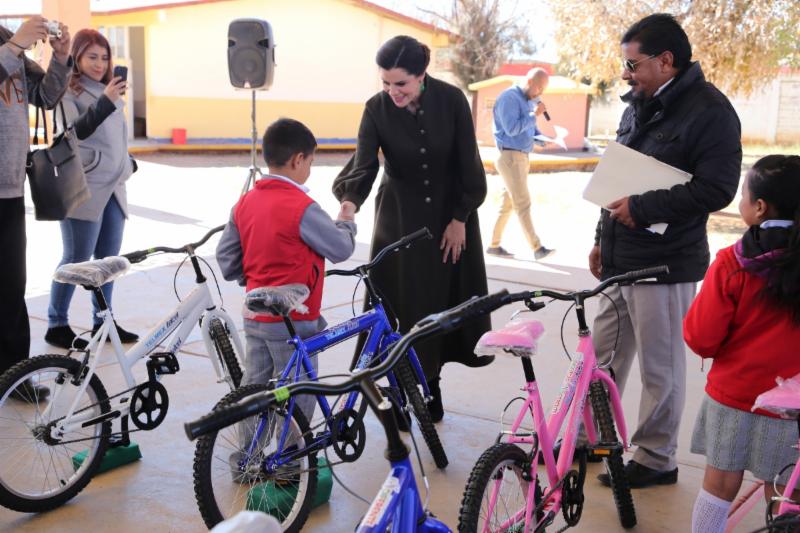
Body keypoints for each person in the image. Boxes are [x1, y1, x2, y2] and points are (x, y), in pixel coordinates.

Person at [589, 13, 742, 488]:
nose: (625, 73)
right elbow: (619, 173)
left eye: (632, 64)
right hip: (620, 256)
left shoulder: (710, 111)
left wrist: (643, 205)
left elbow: (718, 189)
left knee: (661, 369)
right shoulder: (639, 102)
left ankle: (656, 459)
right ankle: (592, 439)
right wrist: (600, 237)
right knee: (601, 357)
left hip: (665, 262)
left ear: (666, 61)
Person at [332, 35, 493, 423]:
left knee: (437, 305)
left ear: (422, 75)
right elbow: (364, 164)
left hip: (447, 219)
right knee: (400, 307)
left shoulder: (452, 100)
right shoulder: (375, 109)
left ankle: (432, 385)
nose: (392, 92)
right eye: (386, 83)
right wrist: (349, 202)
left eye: (400, 83)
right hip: (398, 222)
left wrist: (460, 218)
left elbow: (468, 164)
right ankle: (401, 391)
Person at [685, 155, 800, 533]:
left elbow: (701, 338)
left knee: (717, 489)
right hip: (793, 406)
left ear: (760, 207)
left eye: (744, 194)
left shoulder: (731, 263)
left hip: (734, 397)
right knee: (787, 496)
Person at [216, 118, 356, 422]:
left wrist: (256, 280)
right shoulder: (302, 207)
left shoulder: (245, 203)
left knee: (253, 392)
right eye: (311, 162)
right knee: (296, 395)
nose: (309, 169)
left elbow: (227, 261)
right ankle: (292, 463)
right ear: (298, 159)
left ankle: (246, 460)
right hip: (294, 321)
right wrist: (345, 220)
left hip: (254, 316)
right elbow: (341, 249)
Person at [45, 29, 138, 350]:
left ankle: (104, 322)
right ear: (78, 58)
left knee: (109, 260)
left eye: (104, 57)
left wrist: (129, 164)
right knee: (76, 258)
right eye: (92, 57)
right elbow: (74, 135)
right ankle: (56, 323)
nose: (99, 64)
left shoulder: (108, 90)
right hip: (82, 186)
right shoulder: (67, 93)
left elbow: (116, 138)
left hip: (114, 187)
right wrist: (107, 100)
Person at [0, 16, 71, 401]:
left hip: (10, 190)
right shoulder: (11, 45)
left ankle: (14, 379)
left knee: (12, 289)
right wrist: (15, 47)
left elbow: (44, 96)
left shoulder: (7, 40)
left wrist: (61, 58)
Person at [486, 67, 554, 260]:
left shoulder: (528, 101)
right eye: (539, 88)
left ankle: (493, 245)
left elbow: (529, 130)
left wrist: (543, 139)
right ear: (529, 81)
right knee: (523, 203)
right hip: (510, 157)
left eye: (543, 90)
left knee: (507, 205)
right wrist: (534, 115)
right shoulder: (509, 98)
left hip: (521, 157)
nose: (540, 93)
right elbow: (512, 129)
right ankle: (537, 248)